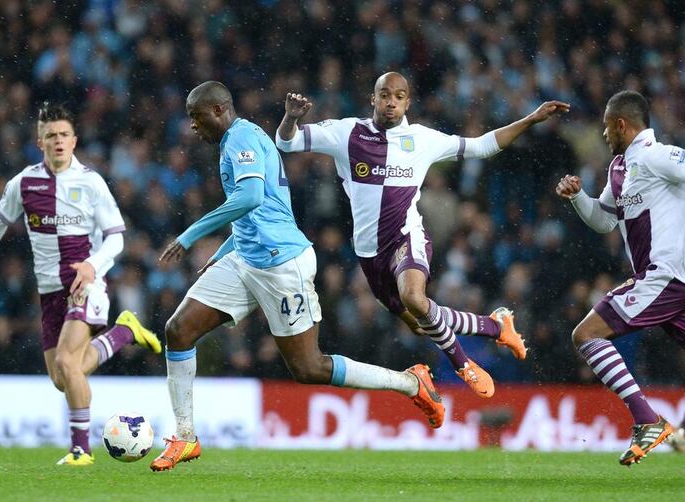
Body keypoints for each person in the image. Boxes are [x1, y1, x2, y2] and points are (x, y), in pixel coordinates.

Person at [151, 81, 445, 472]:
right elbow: (262, 209)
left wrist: (190, 237)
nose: (192, 126)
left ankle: (411, 383)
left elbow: (251, 197)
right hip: (246, 257)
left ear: (219, 110)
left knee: (309, 369)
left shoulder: (242, 139)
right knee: (179, 329)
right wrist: (223, 253)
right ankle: (185, 437)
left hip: (282, 263)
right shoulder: (236, 140)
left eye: (196, 117)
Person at [275, 72, 568, 397]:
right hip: (370, 254)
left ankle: (463, 365)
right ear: (374, 98)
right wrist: (290, 117)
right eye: (385, 95)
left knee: (415, 298)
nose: (391, 103)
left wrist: (531, 118)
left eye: (399, 97)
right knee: (419, 322)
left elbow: (482, 146)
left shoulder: (422, 139)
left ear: (408, 102)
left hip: (407, 236)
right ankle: (497, 327)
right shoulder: (347, 133)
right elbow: (287, 141)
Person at [0, 102, 162, 465]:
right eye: (50, 136)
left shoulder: (91, 182)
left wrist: (92, 266)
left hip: (84, 286)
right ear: (39, 141)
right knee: (62, 377)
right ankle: (123, 333)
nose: (58, 141)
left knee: (66, 360)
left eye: (63, 135)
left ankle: (81, 450)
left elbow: (117, 238)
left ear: (74, 141)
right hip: (48, 293)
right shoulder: (24, 183)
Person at [555, 90, 682, 465]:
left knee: (586, 334)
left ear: (621, 124)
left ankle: (648, 420)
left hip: (667, 274)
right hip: (666, 281)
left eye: (607, 125)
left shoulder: (659, 156)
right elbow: (605, 220)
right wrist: (578, 198)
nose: (603, 132)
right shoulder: (620, 168)